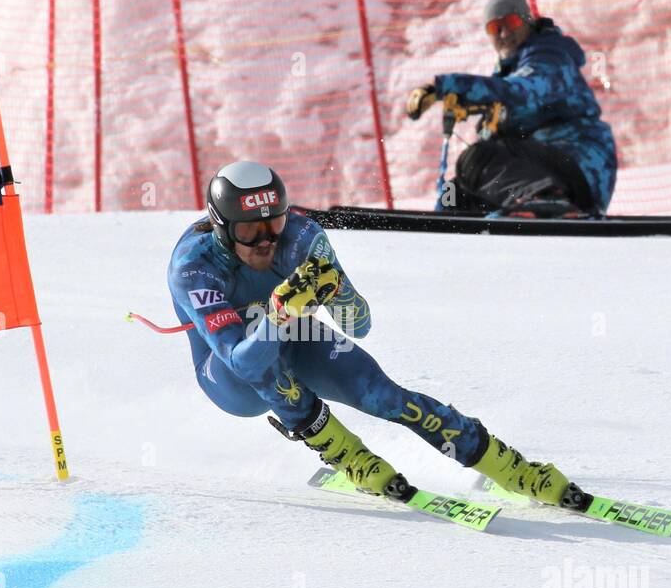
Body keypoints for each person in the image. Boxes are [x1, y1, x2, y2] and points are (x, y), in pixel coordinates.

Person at [167, 159, 588, 509]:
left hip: (290, 336)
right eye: (249, 232)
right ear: (222, 227)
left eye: (273, 224)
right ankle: (346, 453)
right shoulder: (194, 266)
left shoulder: (302, 237)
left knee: (385, 395)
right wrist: (278, 315)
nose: (265, 242)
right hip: (230, 375)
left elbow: (359, 326)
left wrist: (336, 290)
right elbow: (241, 360)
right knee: (266, 369)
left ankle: (506, 465)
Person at [405, 0, 617, 217]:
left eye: (511, 22)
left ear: (526, 20)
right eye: (495, 28)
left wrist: (445, 87)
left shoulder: (550, 56)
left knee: (476, 159)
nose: (504, 33)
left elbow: (522, 91)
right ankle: (445, 228)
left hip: (581, 165)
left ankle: (548, 200)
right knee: (457, 188)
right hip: (547, 170)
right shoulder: (509, 73)